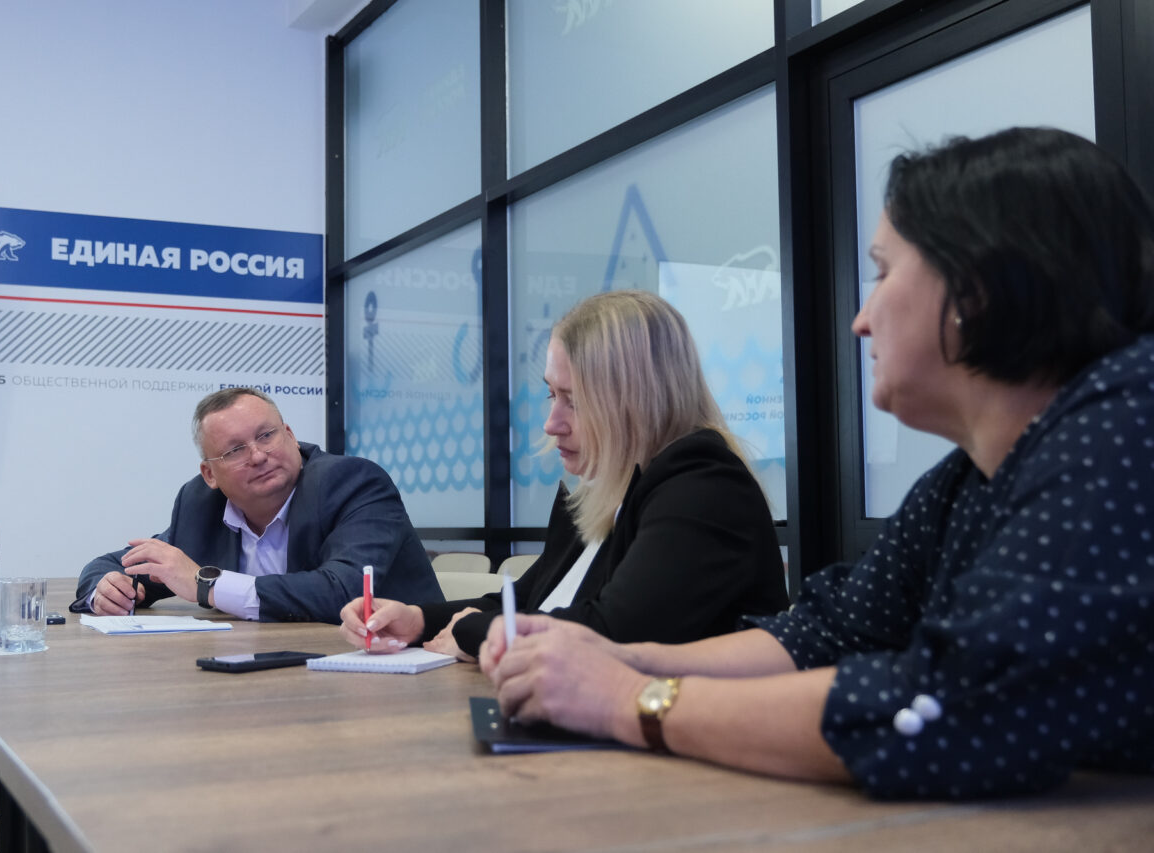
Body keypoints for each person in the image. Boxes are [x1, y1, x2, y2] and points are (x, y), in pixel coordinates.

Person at [480, 127, 1154, 799]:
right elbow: (825, 632)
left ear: (976, 291)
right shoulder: (968, 480)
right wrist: (621, 658)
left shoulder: (1125, 433)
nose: (861, 319)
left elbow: (944, 711)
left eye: (882, 273)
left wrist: (628, 698)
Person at [339, 289, 790, 660]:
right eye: (552, 395)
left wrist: (474, 632)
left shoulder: (703, 486)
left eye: (574, 401)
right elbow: (528, 601)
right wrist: (418, 620)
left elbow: (612, 632)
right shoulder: (606, 490)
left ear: (637, 400)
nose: (551, 424)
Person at [71, 387, 442, 621]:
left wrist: (204, 584)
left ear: (291, 436)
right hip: (272, 672)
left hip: (399, 668)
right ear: (210, 474)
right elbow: (115, 564)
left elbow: (345, 592)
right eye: (235, 450)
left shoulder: (352, 484)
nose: (259, 456)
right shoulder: (200, 506)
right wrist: (106, 589)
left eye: (266, 435)